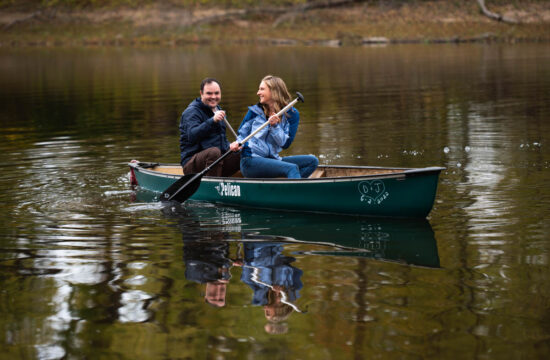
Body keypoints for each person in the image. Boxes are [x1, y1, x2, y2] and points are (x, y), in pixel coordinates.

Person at [234, 75, 318, 179]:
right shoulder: (254, 111)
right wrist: (237, 144)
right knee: (291, 168)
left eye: (262, 89)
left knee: (312, 161)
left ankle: (287, 188)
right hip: (251, 160)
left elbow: (285, 144)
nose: (258, 93)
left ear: (274, 91)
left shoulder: (292, 114)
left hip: (273, 159)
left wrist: (275, 127)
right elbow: (242, 135)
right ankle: (295, 190)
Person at [179, 78, 241, 177]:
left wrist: (230, 147)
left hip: (215, 161)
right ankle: (213, 186)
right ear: (201, 93)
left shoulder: (218, 109)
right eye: (209, 93)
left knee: (243, 152)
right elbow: (192, 136)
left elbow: (220, 140)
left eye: (217, 93)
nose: (213, 97)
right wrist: (212, 121)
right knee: (214, 152)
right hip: (191, 164)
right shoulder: (191, 112)